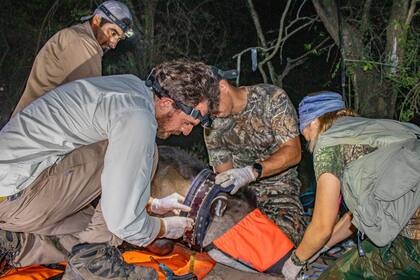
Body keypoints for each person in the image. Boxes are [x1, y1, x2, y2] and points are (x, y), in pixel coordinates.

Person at [0, 60, 220, 279]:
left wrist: (151, 204)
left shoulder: (130, 88)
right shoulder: (137, 116)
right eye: (187, 122)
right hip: (19, 195)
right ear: (165, 103)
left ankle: (17, 243)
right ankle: (93, 266)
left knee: (95, 229)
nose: (186, 131)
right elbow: (123, 220)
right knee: (145, 158)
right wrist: (164, 227)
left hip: (17, 196)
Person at [281, 91, 420, 279]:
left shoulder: (329, 142)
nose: (306, 140)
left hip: (413, 239)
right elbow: (357, 216)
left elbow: (322, 225)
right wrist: (322, 247)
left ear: (314, 122)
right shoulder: (370, 129)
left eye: (304, 130)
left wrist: (295, 262)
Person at [204, 69, 306, 247]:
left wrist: (251, 172)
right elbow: (226, 176)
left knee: (279, 242)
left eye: (212, 106)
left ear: (223, 86)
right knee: (218, 241)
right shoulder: (212, 127)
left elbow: (293, 152)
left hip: (281, 193)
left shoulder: (271, 98)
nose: (210, 113)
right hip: (243, 201)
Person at [12, 0, 134, 116]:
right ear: (97, 20)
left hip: (31, 127)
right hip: (34, 131)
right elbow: (90, 103)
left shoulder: (76, 36)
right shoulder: (82, 42)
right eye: (112, 33)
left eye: (118, 38)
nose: (113, 44)